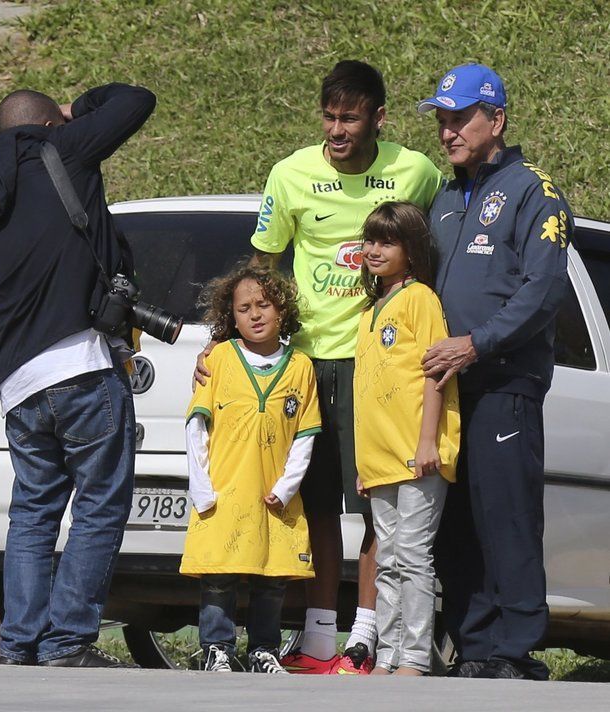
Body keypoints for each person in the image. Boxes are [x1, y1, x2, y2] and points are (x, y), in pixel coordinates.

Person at [196, 60, 443, 674]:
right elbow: (260, 268)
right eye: (329, 117)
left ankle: (367, 636)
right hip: (306, 364)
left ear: (378, 118)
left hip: (380, 366)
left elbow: (445, 238)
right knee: (314, 506)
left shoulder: (416, 171)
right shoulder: (290, 174)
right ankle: (319, 640)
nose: (336, 130)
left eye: (350, 118)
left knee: (378, 503)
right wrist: (220, 338)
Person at [0, 83, 155, 667]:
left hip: (20, 382)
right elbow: (135, 100)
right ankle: (68, 642)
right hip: (80, 366)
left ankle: (19, 644)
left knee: (33, 512)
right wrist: (77, 110)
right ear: (50, 125)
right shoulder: (62, 150)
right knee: (99, 504)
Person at [418, 63, 571, 681]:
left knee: (505, 514)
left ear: (496, 120)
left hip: (504, 381)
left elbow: (542, 291)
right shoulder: (445, 198)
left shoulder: (534, 189)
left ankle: (515, 647)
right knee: (455, 524)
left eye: (460, 119)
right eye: (442, 120)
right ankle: (475, 646)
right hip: (445, 388)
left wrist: (476, 345)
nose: (448, 131)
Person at [182, 264, 320, 674]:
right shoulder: (218, 359)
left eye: (264, 304)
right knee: (219, 577)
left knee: (271, 578)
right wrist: (201, 486)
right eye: (244, 308)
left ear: (282, 310)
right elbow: (196, 427)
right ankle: (217, 648)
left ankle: (263, 650)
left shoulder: (300, 367)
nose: (255, 314)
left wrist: (287, 486)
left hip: (273, 497)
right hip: (225, 492)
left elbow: (305, 435)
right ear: (232, 316)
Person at [351, 202, 460, 676]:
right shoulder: (369, 310)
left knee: (414, 556)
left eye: (387, 242)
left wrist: (427, 442)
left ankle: (415, 657)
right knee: (389, 558)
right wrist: (363, 463)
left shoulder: (421, 300)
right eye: (370, 240)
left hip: (419, 454)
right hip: (379, 461)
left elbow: (435, 374)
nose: (375, 250)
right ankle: (390, 654)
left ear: (411, 251)